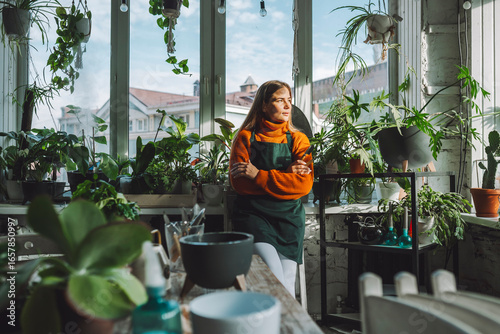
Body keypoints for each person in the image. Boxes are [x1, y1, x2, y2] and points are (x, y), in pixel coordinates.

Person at [229, 80, 314, 297]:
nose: (287, 106)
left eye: (289, 100)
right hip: (254, 216)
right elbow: (240, 184)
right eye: (279, 100)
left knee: (286, 281)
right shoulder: (245, 137)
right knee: (274, 277)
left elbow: (303, 185)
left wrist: (258, 175)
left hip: (289, 219)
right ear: (264, 105)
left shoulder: (298, 139)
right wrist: (286, 177)